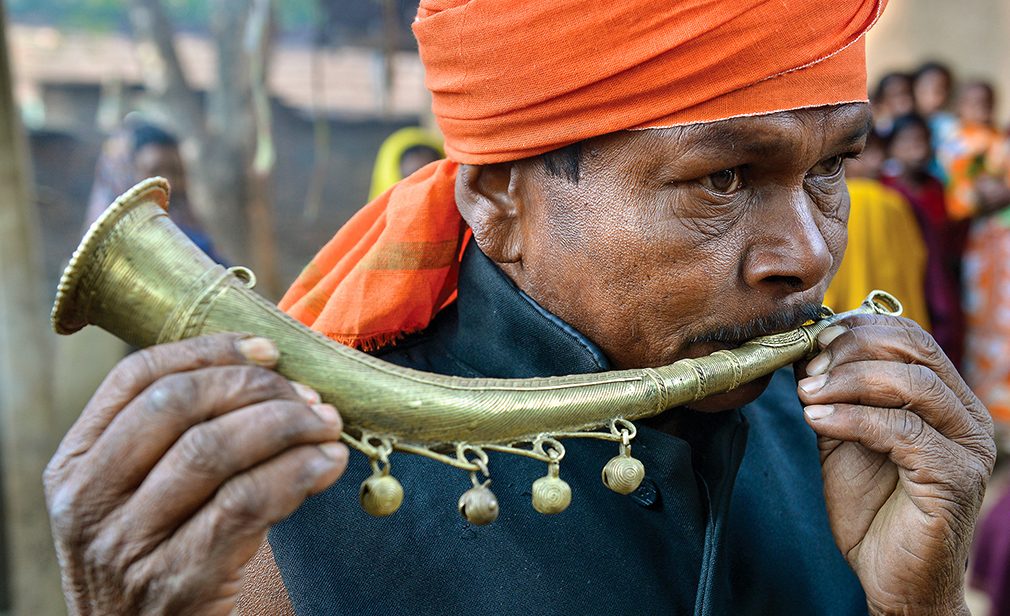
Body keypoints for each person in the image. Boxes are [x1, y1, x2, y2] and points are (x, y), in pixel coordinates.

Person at [44, 2, 997, 615]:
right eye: (723, 178)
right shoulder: (285, 512)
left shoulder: (846, 437)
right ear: (499, 198)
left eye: (831, 168)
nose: (810, 253)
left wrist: (924, 604)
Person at [941, 81, 1010, 424]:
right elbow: (964, 200)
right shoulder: (953, 144)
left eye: (986, 100)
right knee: (980, 320)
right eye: (973, 100)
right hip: (979, 245)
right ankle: (987, 413)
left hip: (1003, 247)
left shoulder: (999, 140)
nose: (980, 106)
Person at [880, 114, 965, 368]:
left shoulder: (939, 188)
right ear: (892, 148)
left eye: (923, 140)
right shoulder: (886, 189)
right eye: (908, 140)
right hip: (901, 278)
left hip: (940, 279)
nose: (917, 147)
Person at [823, 130, 931, 329]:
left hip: (843, 325)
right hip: (897, 324)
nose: (876, 161)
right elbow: (919, 261)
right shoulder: (896, 203)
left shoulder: (831, 201)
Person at [85, 120, 225, 263]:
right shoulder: (106, 253)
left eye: (176, 172)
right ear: (127, 176)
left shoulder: (195, 241)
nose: (168, 183)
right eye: (155, 171)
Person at [368, 126, 444, 200]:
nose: (422, 184)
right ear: (390, 173)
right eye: (412, 174)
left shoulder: (451, 203)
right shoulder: (381, 212)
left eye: (430, 173)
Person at [913, 61, 958, 182]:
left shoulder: (950, 125)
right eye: (925, 89)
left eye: (939, 90)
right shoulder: (905, 122)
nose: (931, 96)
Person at [871, 71, 915, 138]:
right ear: (882, 101)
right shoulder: (877, 131)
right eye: (895, 95)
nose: (905, 98)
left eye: (908, 92)